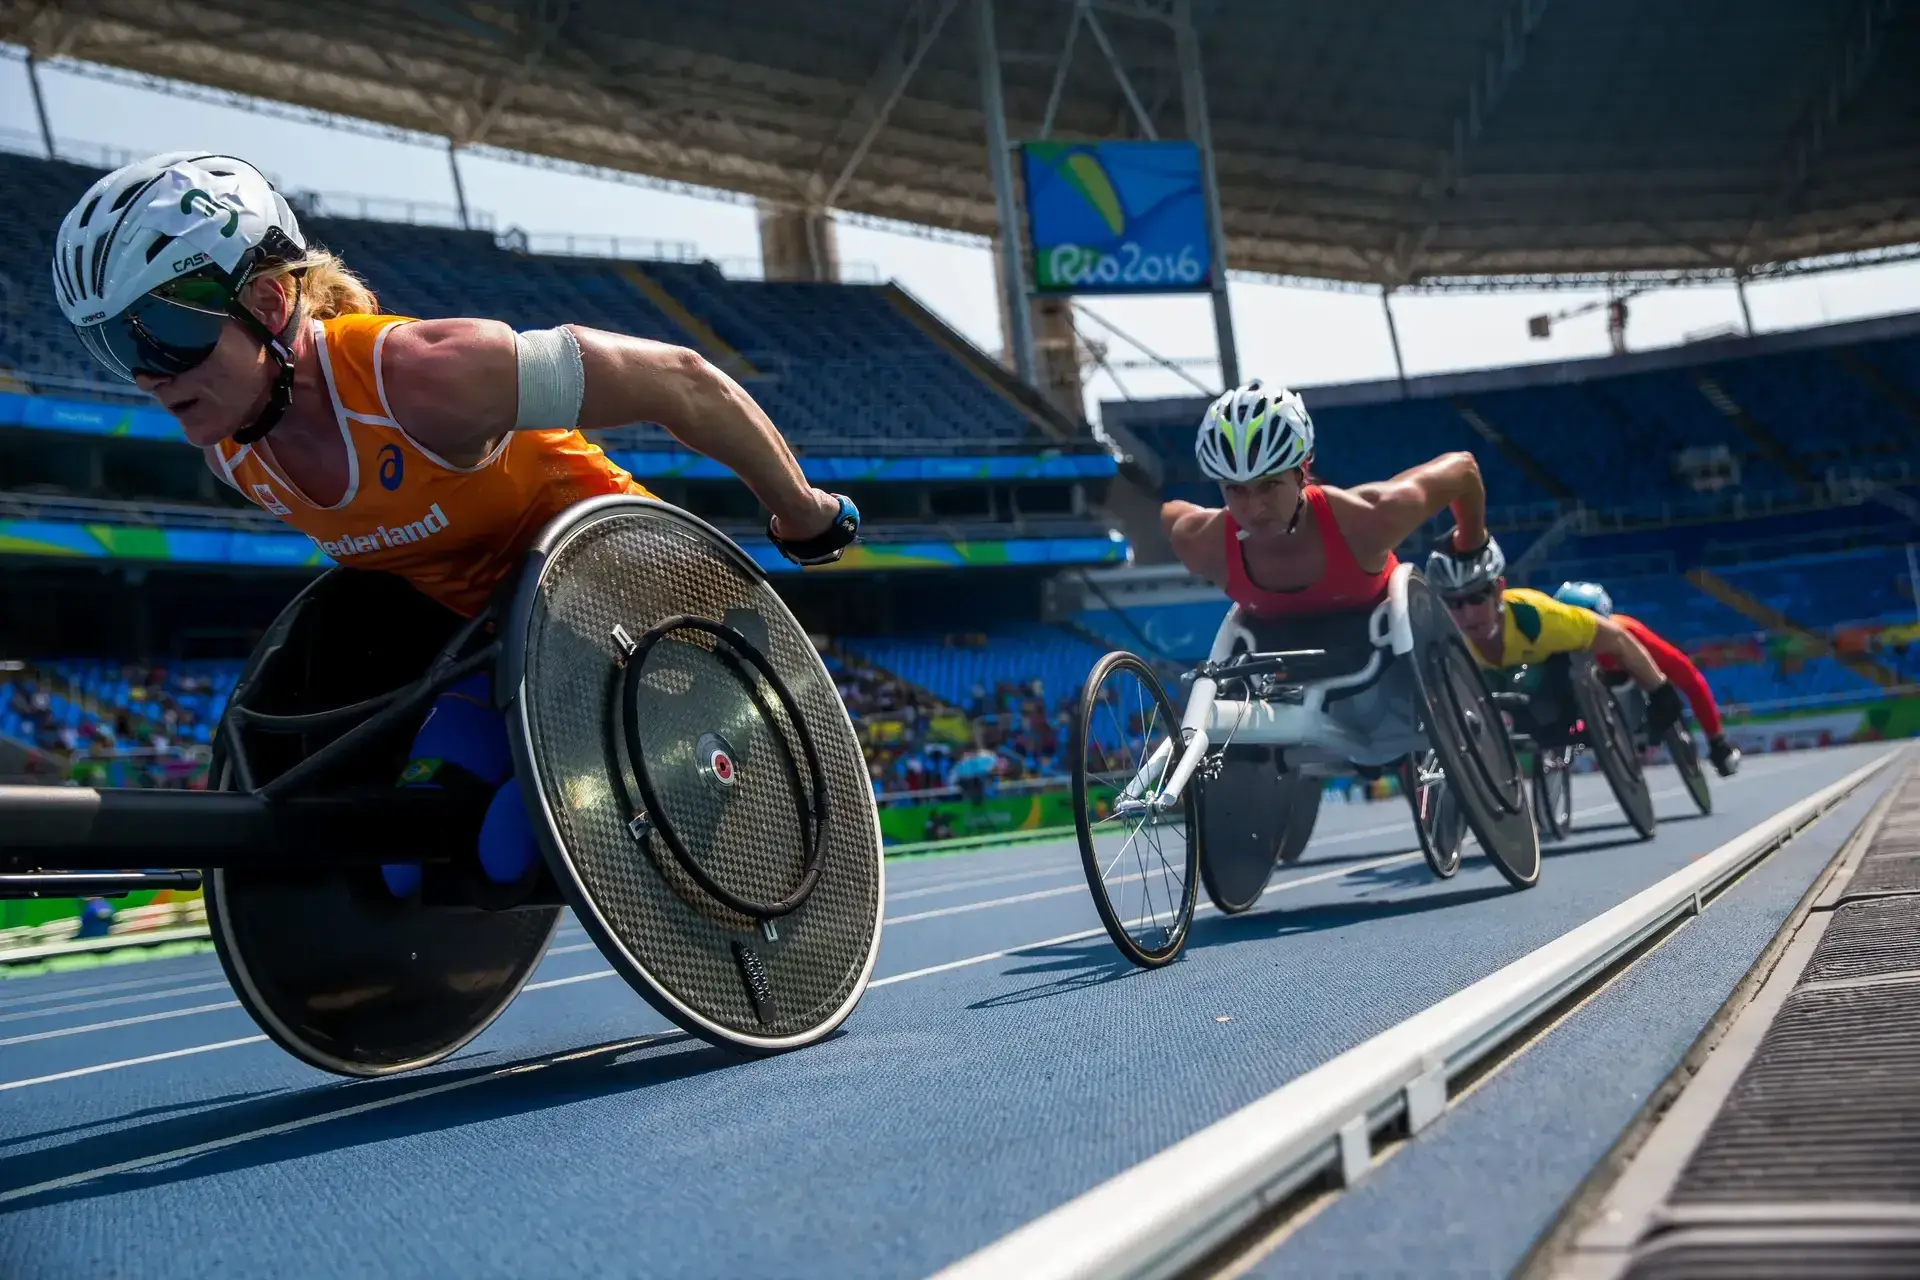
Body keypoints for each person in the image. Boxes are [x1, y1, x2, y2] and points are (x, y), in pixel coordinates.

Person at [53, 151, 860, 896]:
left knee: (512, 848)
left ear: (267, 303)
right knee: (413, 868)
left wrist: (802, 512)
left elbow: (681, 384)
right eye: (115, 347)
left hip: (652, 626)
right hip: (508, 654)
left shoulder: (424, 378)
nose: (150, 375)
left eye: (165, 332)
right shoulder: (233, 455)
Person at [1162, 379, 1491, 620]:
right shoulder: (1202, 542)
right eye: (1236, 490)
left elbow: (1464, 469)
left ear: (1302, 471)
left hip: (1391, 653)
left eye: (1269, 486)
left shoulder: (1372, 519)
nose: (1255, 508)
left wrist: (1470, 542)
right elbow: (1169, 514)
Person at [1425, 540, 1687, 744]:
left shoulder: (1538, 616)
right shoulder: (1442, 637)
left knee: (1558, 677)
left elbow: (1617, 639)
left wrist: (1660, 691)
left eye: (1476, 598)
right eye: (1453, 602)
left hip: (1553, 682)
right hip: (1494, 687)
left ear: (1498, 590)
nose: (1468, 614)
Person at [1554, 581, 1741, 776]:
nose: (1582, 635)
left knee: (1674, 676)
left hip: (1632, 669)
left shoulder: (1628, 632)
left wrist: (1716, 741)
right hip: (1592, 682)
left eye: (1589, 625)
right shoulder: (1555, 644)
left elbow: (1690, 678)